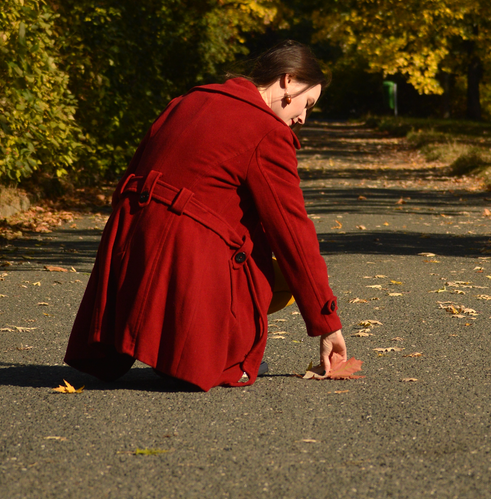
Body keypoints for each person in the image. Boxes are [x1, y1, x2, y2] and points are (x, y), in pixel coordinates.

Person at [65, 41, 346, 390]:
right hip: (187, 260)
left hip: (126, 252)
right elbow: (292, 231)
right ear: (288, 81)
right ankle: (207, 353)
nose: (303, 117)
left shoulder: (187, 101)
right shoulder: (268, 132)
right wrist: (326, 323)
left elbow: (130, 177)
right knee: (275, 273)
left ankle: (164, 345)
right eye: (308, 103)